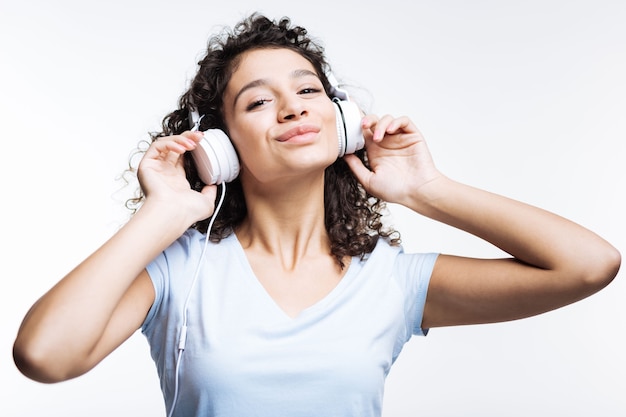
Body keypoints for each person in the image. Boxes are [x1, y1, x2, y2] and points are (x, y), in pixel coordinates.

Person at [13, 13, 620, 417]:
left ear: (344, 121)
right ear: (222, 148)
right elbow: (44, 356)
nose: (292, 109)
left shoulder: (390, 280)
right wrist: (161, 213)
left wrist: (425, 189)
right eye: (258, 101)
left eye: (308, 91)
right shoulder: (179, 272)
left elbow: (590, 265)